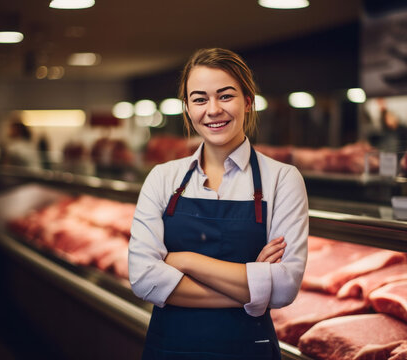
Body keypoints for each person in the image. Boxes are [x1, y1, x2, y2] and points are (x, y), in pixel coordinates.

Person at [129, 48, 308, 360]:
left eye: (225, 96)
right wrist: (253, 288)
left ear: (248, 101)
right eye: (199, 99)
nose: (213, 110)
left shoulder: (282, 179)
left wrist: (183, 260)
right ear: (187, 108)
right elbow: (144, 279)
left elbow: (283, 288)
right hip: (170, 349)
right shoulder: (162, 178)